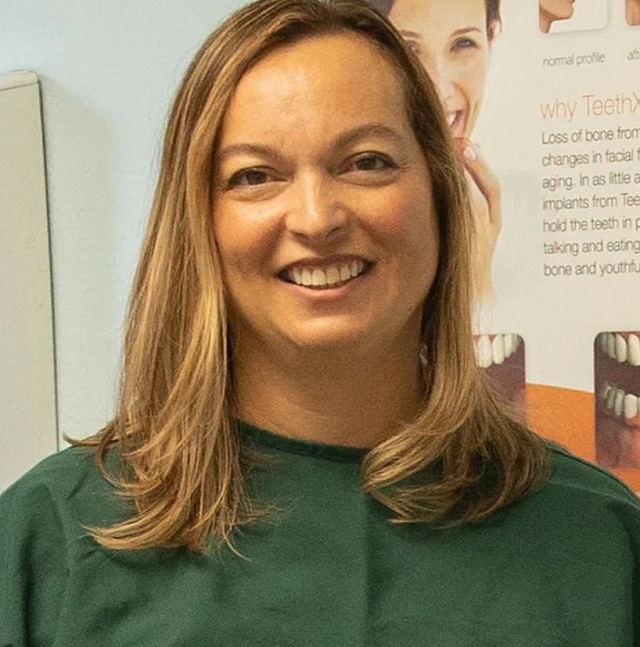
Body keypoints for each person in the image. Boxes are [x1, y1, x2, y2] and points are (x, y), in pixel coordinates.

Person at [1, 0, 638, 644]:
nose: (315, 218)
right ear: (198, 222)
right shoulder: (47, 538)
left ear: (442, 195)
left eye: (367, 162)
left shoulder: (601, 543)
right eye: (254, 176)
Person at [366, 0, 502, 299]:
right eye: (409, 49)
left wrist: (477, 280)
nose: (440, 88)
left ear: (492, 37)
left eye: (463, 44)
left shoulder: (540, 213)